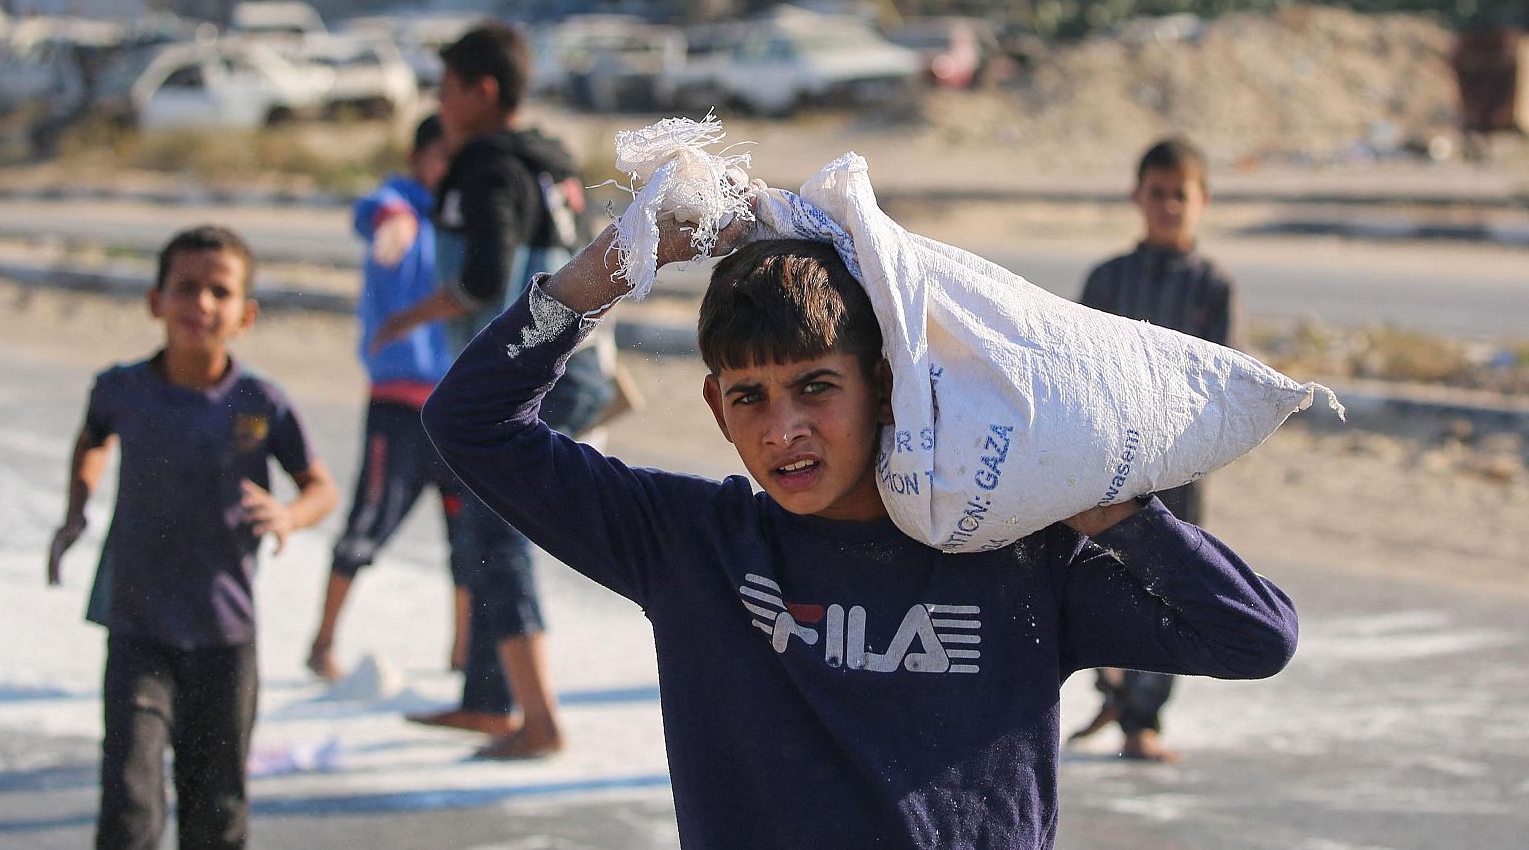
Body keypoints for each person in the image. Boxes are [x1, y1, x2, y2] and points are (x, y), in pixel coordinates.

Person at [417, 202, 1298, 846]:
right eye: (749, 398)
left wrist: (1103, 506)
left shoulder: (1014, 559)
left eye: (816, 387)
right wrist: (601, 274)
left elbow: (1254, 636)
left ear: (884, 387)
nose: (784, 428)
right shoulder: (690, 545)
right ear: (717, 411)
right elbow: (470, 425)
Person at [47, 225, 338, 849]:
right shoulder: (121, 389)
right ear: (156, 301)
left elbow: (321, 487)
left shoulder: (260, 402)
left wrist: (289, 516)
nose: (200, 303)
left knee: (217, 810)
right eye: (185, 288)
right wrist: (76, 509)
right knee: (128, 801)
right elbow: (93, 437)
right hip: (137, 629)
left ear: (245, 315)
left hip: (225, 637)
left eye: (218, 291)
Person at [377, 20, 613, 759]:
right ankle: (487, 700)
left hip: (525, 384)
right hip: (574, 369)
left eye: (446, 87)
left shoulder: (482, 164)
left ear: (482, 91)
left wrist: (405, 318)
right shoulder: (550, 160)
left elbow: (483, 279)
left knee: (494, 533)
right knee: (486, 530)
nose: (439, 101)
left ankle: (536, 721)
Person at [1068, 136, 1246, 764]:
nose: (1168, 206)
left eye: (1181, 195)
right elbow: (1078, 366)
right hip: (1106, 464)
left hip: (1178, 467)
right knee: (1095, 576)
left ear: (1202, 202)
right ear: (1137, 196)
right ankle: (1112, 688)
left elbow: (1223, 381)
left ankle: (1144, 717)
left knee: (1170, 587)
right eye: (1158, 193)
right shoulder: (1107, 278)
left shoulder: (1213, 287)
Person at [304, 114, 486, 688]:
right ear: (418, 157)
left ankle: (462, 652)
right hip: (400, 409)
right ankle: (322, 641)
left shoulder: (467, 217)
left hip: (457, 413)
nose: (447, 170)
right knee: (366, 525)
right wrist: (395, 229)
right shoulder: (399, 202)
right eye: (440, 158)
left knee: (469, 542)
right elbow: (379, 214)